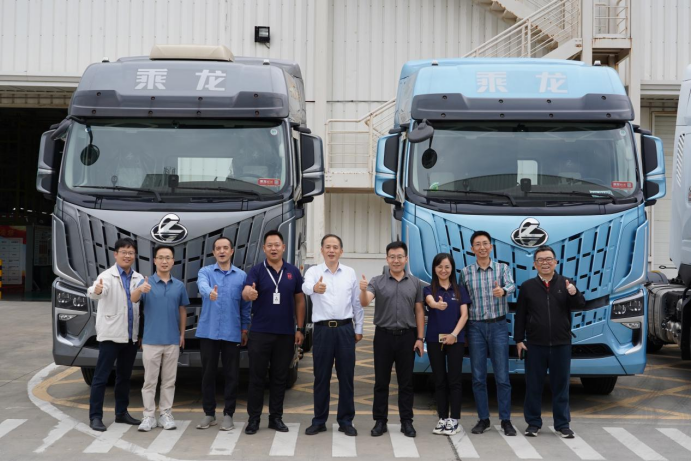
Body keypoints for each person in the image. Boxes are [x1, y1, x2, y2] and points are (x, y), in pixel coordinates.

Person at [514, 245, 585, 439]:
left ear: (555, 262)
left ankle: (562, 425)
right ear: (534, 264)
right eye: (540, 260)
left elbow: (580, 304)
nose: (545, 263)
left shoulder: (566, 283)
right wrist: (519, 340)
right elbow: (521, 315)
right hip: (535, 344)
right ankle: (533, 424)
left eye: (548, 259)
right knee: (533, 385)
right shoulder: (528, 286)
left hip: (561, 343)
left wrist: (574, 292)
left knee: (561, 385)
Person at [242, 230, 306, 435]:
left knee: (280, 378)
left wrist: (300, 328)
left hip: (285, 334)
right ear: (264, 248)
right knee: (257, 378)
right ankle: (253, 419)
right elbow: (245, 292)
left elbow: (300, 300)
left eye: (277, 245)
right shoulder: (257, 271)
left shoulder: (293, 271)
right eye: (269, 245)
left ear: (283, 247)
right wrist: (249, 293)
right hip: (260, 333)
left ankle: (276, 418)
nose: (273, 248)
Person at [359, 241, 425, 438]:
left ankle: (407, 421)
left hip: (407, 337)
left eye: (400, 257)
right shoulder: (377, 281)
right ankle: (380, 421)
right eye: (392, 257)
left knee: (406, 382)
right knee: (381, 381)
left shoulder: (415, 283)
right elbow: (365, 302)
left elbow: (419, 311)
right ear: (387, 259)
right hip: (383, 336)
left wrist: (420, 338)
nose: (396, 260)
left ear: (406, 259)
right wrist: (362, 290)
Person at [302, 234, 364, 437]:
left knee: (346, 377)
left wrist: (358, 328)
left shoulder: (349, 272)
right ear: (321, 250)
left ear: (341, 251)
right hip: (322, 330)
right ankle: (319, 420)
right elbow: (305, 287)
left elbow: (356, 303)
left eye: (335, 247)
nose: (331, 250)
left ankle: (346, 421)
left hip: (345, 329)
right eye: (327, 247)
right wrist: (314, 288)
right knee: (321, 377)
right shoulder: (314, 272)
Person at [459, 230, 517, 436]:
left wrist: (504, 291)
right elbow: (462, 301)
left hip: (498, 326)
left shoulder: (502, 268)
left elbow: (512, 285)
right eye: (477, 244)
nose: (482, 247)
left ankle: (506, 420)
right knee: (478, 376)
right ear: (472, 249)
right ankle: (483, 419)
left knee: (502, 377)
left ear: (491, 247)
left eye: (485, 243)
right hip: (475, 327)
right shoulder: (465, 272)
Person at [86, 237, 144, 432]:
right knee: (101, 377)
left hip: (130, 336)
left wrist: (139, 334)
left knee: (124, 377)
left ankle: (121, 413)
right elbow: (96, 292)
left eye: (131, 253)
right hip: (111, 335)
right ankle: (95, 416)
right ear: (116, 254)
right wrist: (96, 290)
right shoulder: (107, 276)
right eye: (124, 252)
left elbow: (139, 306)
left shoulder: (138, 277)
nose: (127, 256)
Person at [131, 245, 189, 432]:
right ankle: (148, 416)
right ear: (154, 260)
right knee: (149, 381)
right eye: (161, 257)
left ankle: (165, 414)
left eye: (168, 257)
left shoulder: (179, 285)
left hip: (172, 340)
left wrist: (182, 334)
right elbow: (133, 299)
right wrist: (141, 290)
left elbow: (182, 310)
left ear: (173, 261)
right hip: (151, 340)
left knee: (169, 381)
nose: (164, 261)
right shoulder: (146, 283)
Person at [195, 236, 251, 431]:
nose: (222, 251)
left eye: (225, 248)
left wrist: (245, 328)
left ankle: (229, 414)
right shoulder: (205, 272)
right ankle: (209, 414)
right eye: (218, 248)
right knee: (208, 374)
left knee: (232, 375)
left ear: (232, 251)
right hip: (208, 331)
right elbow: (202, 285)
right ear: (213, 252)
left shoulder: (241, 276)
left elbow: (245, 306)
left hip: (232, 331)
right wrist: (209, 292)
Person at [424, 253, 470, 436]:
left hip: (455, 340)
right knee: (439, 379)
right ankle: (442, 417)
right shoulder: (428, 289)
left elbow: (464, 315)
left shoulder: (460, 290)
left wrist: (453, 335)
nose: (443, 270)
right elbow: (430, 302)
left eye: (447, 267)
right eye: (439, 267)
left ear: (452, 269)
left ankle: (454, 419)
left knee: (455, 380)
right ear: (434, 269)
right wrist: (436, 305)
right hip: (434, 340)